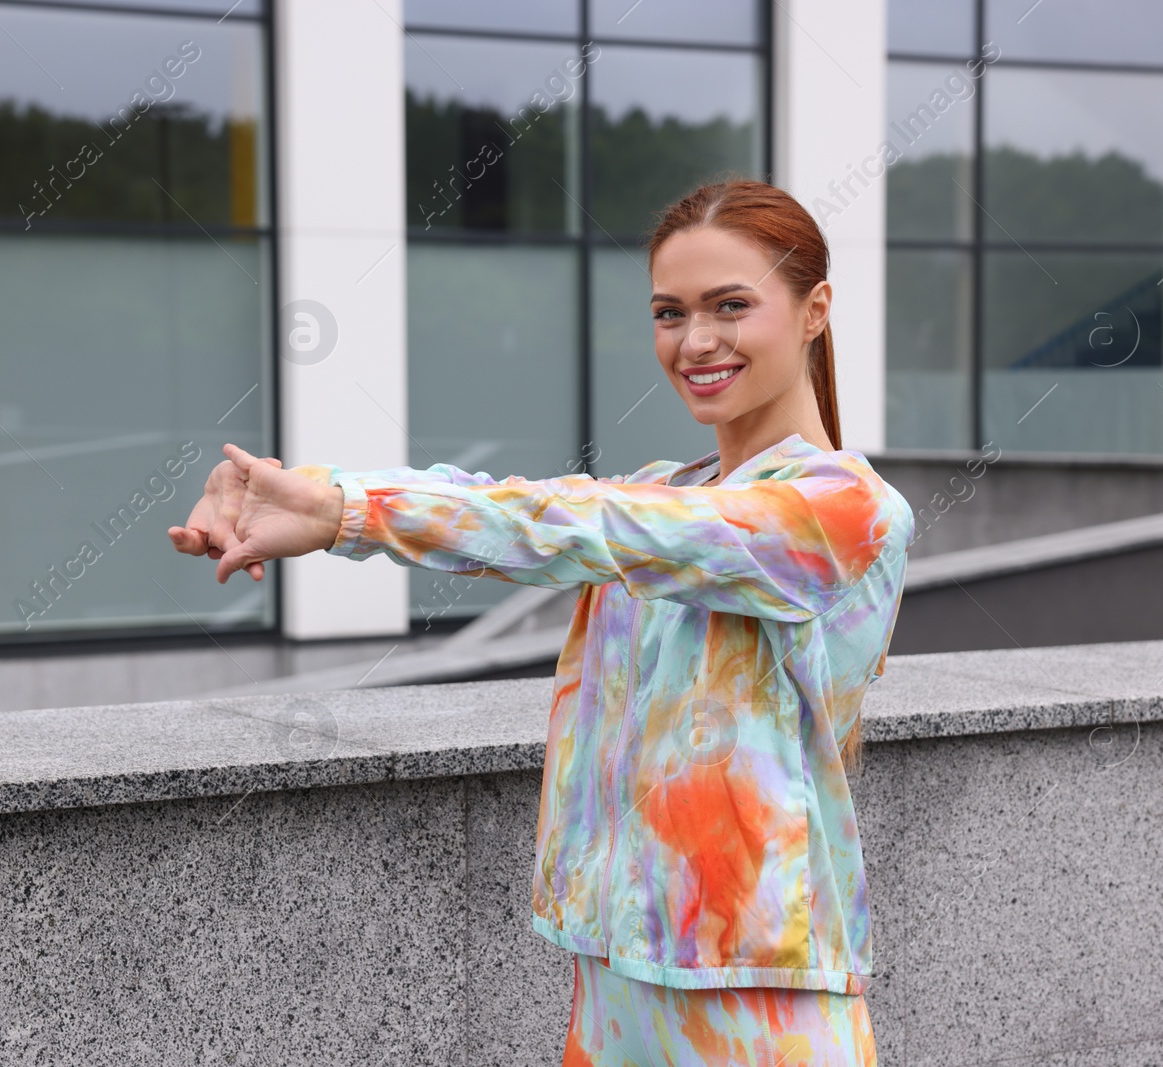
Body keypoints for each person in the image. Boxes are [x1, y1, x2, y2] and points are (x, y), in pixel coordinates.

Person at [168, 178, 913, 1066]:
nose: (696, 341)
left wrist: (349, 511)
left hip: (761, 999)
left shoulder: (844, 509)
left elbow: (582, 526)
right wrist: (319, 503)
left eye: (731, 306)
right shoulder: (661, 489)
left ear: (814, 309)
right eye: (670, 313)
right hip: (611, 981)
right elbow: (513, 509)